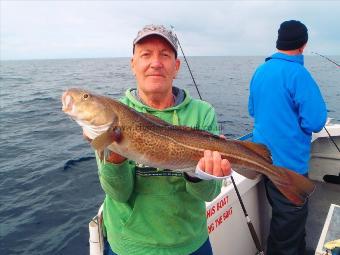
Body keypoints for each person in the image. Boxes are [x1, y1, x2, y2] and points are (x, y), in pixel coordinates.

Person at [95, 24, 231, 255]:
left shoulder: (202, 113)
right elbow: (119, 194)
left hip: (190, 243)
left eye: (165, 55)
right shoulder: (114, 114)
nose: (155, 63)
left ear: (176, 66)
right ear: (133, 64)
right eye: (146, 54)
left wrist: (197, 174)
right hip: (130, 246)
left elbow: (208, 194)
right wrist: (116, 153)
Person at [248, 20, 327, 255]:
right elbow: (315, 122)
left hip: (263, 161)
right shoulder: (298, 74)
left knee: (289, 223)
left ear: (279, 41)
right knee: (288, 230)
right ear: (303, 45)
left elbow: (253, 110)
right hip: (290, 168)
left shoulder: (260, 71)